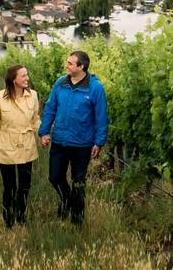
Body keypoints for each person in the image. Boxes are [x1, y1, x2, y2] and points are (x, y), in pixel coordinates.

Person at [38, 50, 109, 226]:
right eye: (67, 62)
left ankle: (77, 220)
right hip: (60, 141)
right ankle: (66, 201)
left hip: (82, 144)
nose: (66, 65)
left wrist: (99, 142)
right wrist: (44, 132)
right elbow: (50, 108)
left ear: (81, 66)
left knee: (78, 182)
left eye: (70, 63)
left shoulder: (95, 88)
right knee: (55, 177)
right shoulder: (60, 83)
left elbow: (101, 117)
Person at [0, 64, 40, 227]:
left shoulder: (33, 96)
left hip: (27, 147)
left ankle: (21, 215)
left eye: (27, 75)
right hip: (6, 148)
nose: (27, 78)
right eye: (23, 76)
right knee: (9, 187)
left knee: (25, 186)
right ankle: (8, 219)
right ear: (14, 79)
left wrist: (43, 133)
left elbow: (35, 120)